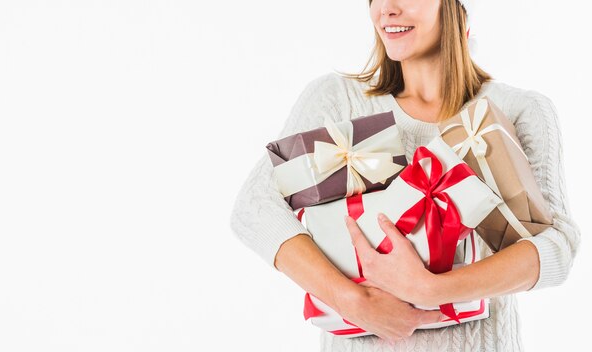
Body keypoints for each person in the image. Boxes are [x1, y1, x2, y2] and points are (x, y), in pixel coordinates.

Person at [229, 0, 581, 350]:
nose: (387, 9)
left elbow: (557, 246)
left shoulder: (517, 111)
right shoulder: (339, 100)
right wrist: (354, 302)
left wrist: (429, 289)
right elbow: (255, 206)